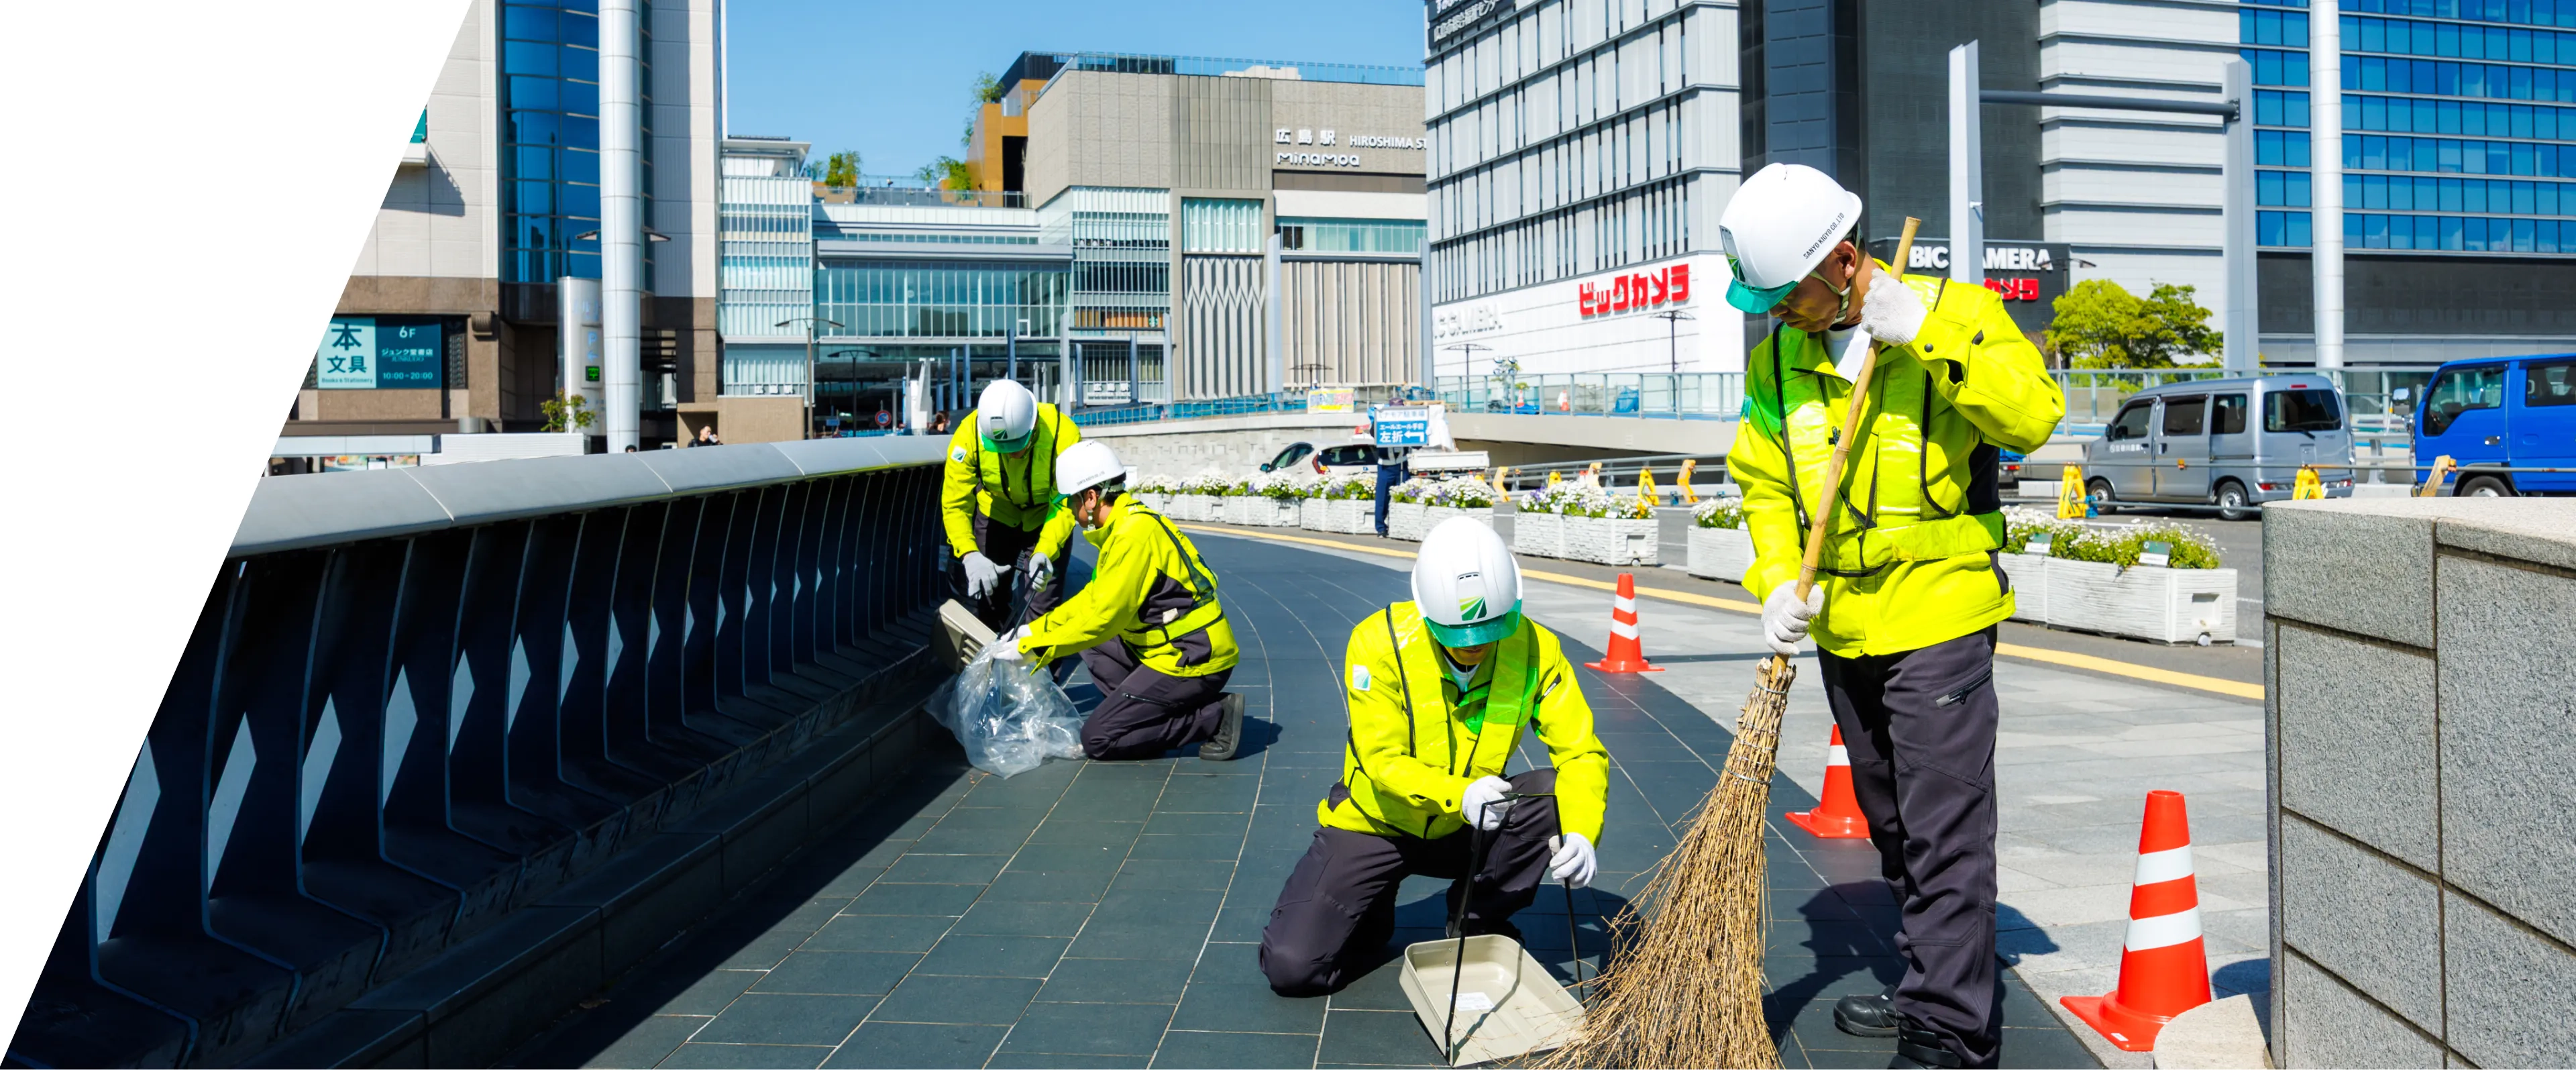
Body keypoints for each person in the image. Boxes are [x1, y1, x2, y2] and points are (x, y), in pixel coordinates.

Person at [1717, 162, 2064, 1069]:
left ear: (1842, 261)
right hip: (1845, 625)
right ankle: (1931, 982)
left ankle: (1949, 1035)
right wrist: (1775, 581)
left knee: (1945, 831)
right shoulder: (1777, 360)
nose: (1776, 313)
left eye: (1786, 295)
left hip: (1940, 615)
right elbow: (1762, 481)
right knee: (1895, 824)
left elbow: (2034, 415)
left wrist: (1928, 333)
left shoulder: (1957, 312)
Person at [1257, 518, 1607, 996]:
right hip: (1378, 822)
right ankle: (1372, 910)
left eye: (1491, 629)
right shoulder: (1378, 644)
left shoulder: (1537, 650)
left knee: (1549, 795)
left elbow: (1581, 752)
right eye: (1458, 634)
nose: (1475, 644)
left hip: (1470, 824)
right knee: (1292, 967)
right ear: (1425, 611)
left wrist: (1583, 832)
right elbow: (1381, 758)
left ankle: (1476, 921)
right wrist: (1458, 793)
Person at [986, 439, 1246, 761]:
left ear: (1091, 497)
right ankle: (1146, 709)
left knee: (1099, 739)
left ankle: (1215, 717)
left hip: (1193, 659)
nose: (1071, 512)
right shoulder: (1126, 525)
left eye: (1071, 502)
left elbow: (1104, 618)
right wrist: (1035, 630)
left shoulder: (1131, 537)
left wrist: (1035, 648)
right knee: (1092, 646)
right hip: (1174, 649)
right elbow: (1092, 601)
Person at [943, 379, 1082, 631]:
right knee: (988, 598)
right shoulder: (968, 435)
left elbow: (1064, 505)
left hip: (1045, 518)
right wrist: (969, 554)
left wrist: (1046, 551)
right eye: (1000, 448)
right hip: (996, 514)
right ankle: (995, 653)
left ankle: (1036, 656)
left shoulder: (1064, 435)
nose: (1009, 455)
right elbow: (955, 503)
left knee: (1041, 606)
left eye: (1016, 446)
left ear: (1034, 425)